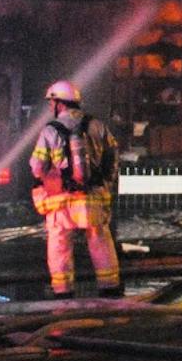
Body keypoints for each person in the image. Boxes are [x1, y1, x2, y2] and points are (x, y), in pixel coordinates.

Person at [29, 78, 123, 299]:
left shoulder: (50, 131)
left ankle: (63, 292)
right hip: (91, 197)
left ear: (60, 103)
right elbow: (113, 158)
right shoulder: (98, 126)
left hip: (60, 200)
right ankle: (110, 288)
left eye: (51, 103)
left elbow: (36, 167)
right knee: (99, 238)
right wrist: (105, 183)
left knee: (59, 242)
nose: (51, 107)